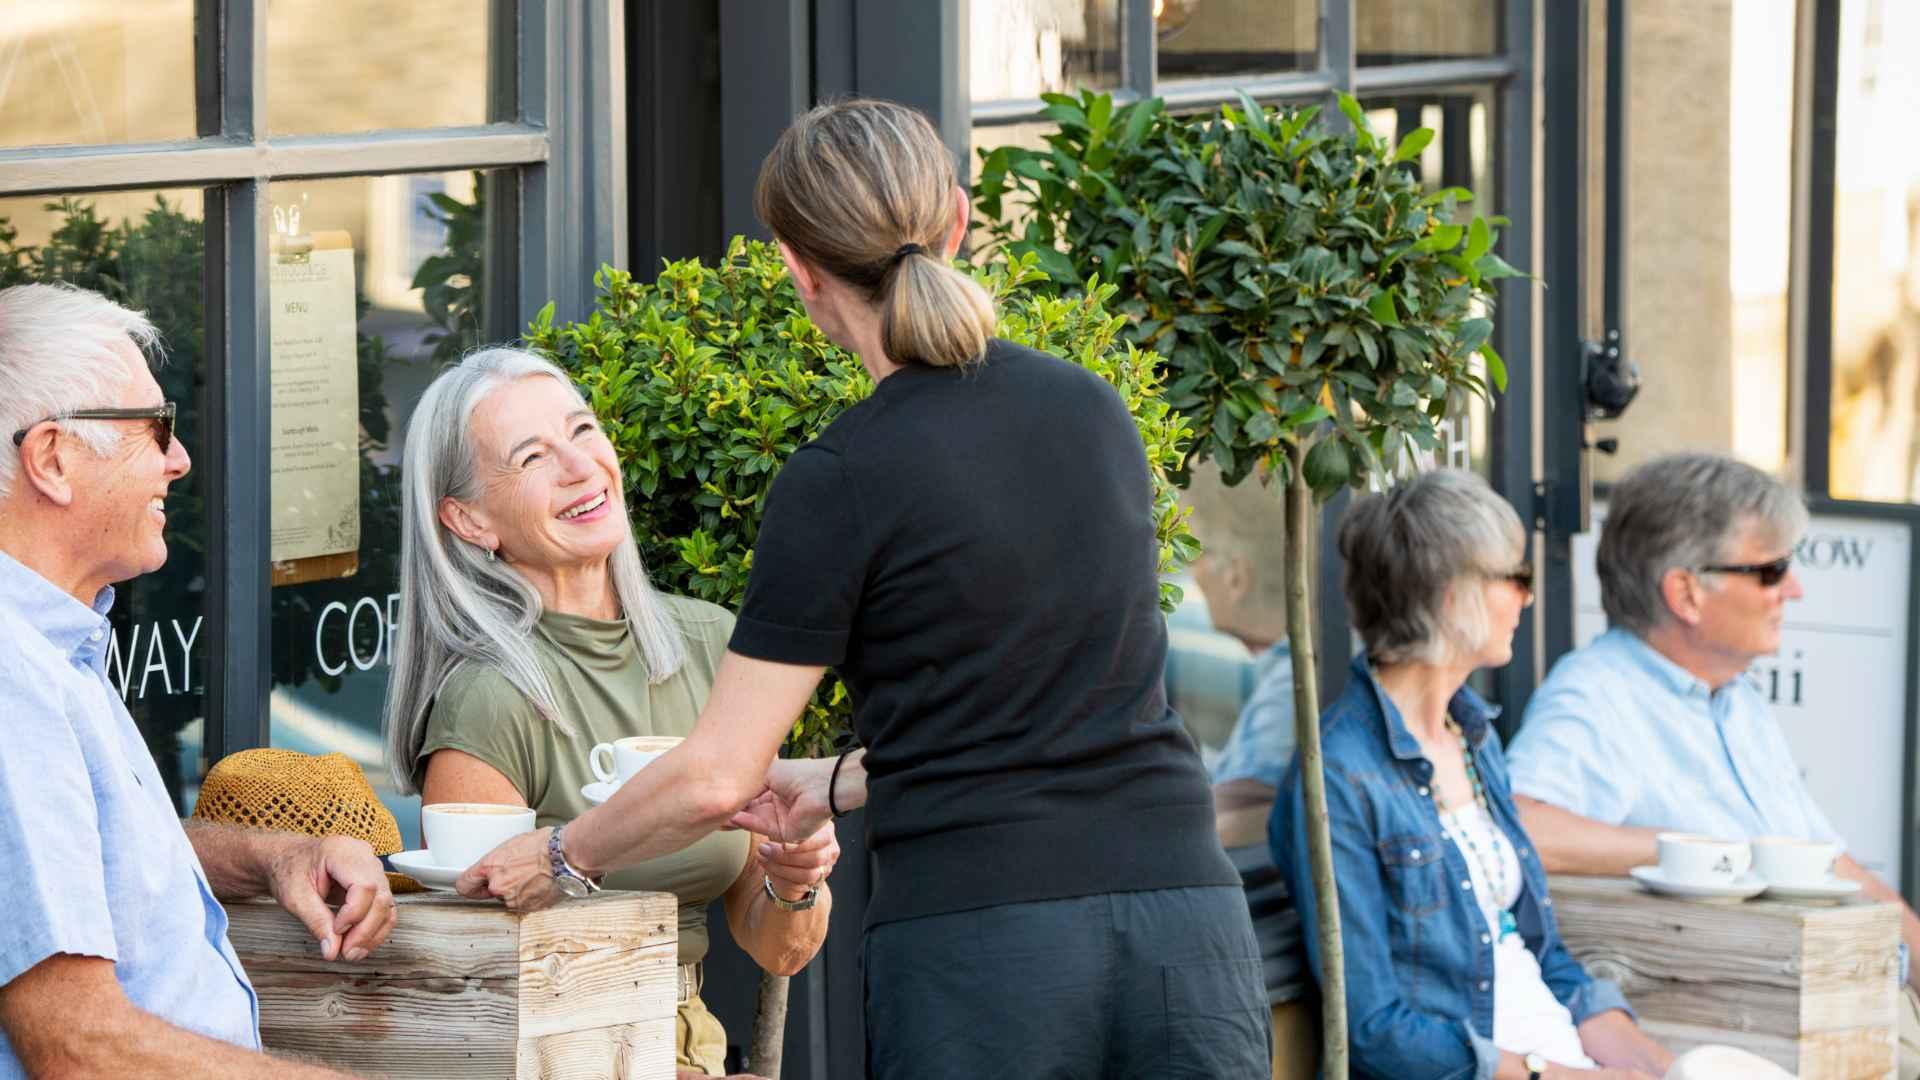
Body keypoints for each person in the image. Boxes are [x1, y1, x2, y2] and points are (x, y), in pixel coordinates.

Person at [455, 98, 1269, 1079]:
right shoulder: (1092, 411)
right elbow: (1052, 717)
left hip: (990, 952)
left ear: (798, 269)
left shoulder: (841, 477)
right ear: (958, 223)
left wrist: (559, 857)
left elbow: (717, 773)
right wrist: (834, 780)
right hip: (1186, 919)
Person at [382, 347, 837, 1079]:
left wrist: (795, 877)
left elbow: (779, 947)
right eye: (532, 457)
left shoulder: (714, 644)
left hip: (694, 1045)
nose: (579, 466)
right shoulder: (489, 701)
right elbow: (475, 999)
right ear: (468, 519)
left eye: (583, 430)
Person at [0, 282, 396, 1079]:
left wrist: (275, 855)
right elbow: (79, 1046)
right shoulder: (16, 678)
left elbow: (80, 862)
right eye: (155, 428)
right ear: (51, 458)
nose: (179, 459)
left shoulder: (53, 647)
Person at [1507, 451, 1920, 1076]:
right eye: (1771, 570)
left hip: (1858, 1006)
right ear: (1686, 593)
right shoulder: (1598, 694)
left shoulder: (1735, 697)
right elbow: (1517, 831)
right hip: (1757, 1027)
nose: (1795, 588)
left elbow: (1825, 857)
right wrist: (1690, 848)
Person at [1272, 468, 1680, 1079]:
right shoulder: (1337, 777)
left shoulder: (1474, 738)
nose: (1528, 596)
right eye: (1515, 578)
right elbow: (1374, 1031)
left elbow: (1541, 956)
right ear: (1450, 595)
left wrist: (1664, 1068)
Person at [1181, 463, 1314, 1080]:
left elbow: (1254, 801)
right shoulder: (1281, 670)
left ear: (1236, 573)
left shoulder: (1294, 679)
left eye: (1199, 551)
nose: (1192, 570)